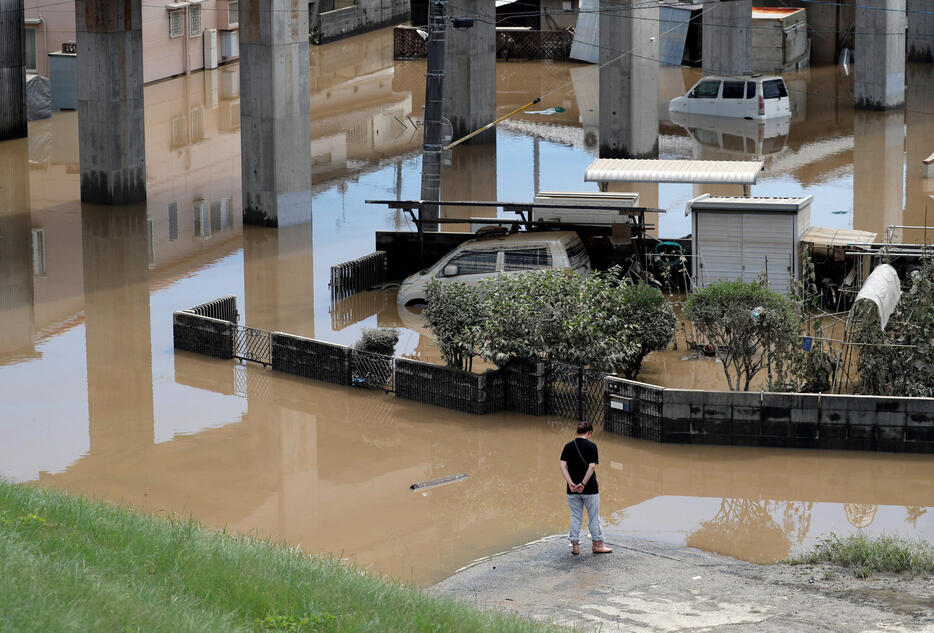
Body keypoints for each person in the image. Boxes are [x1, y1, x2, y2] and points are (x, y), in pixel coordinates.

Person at [559, 421, 612, 556]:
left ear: (577, 432)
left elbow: (563, 466)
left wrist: (571, 483)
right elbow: (592, 467)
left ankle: (575, 545)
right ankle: (597, 545)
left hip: (572, 490)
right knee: (593, 517)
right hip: (589, 489)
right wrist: (583, 484)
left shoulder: (568, 446)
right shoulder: (592, 446)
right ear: (589, 433)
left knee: (575, 517)